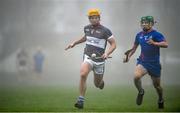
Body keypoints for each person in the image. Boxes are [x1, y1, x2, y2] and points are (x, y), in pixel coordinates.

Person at [65, 9, 116, 109]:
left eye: (95, 18)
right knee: (83, 74)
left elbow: (114, 44)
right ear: (89, 19)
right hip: (88, 57)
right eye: (91, 18)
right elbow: (86, 38)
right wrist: (74, 43)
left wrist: (107, 53)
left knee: (97, 84)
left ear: (99, 18)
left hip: (100, 60)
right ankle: (80, 100)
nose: (93, 19)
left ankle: (101, 82)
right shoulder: (87, 28)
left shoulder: (105, 30)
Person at [123, 16, 168, 109]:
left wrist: (155, 43)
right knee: (136, 77)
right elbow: (134, 48)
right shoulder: (139, 35)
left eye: (146, 22)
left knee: (157, 86)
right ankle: (141, 91)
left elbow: (165, 44)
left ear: (151, 24)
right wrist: (128, 57)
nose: (144, 24)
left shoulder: (156, 34)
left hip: (154, 63)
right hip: (143, 61)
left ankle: (160, 99)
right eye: (142, 22)